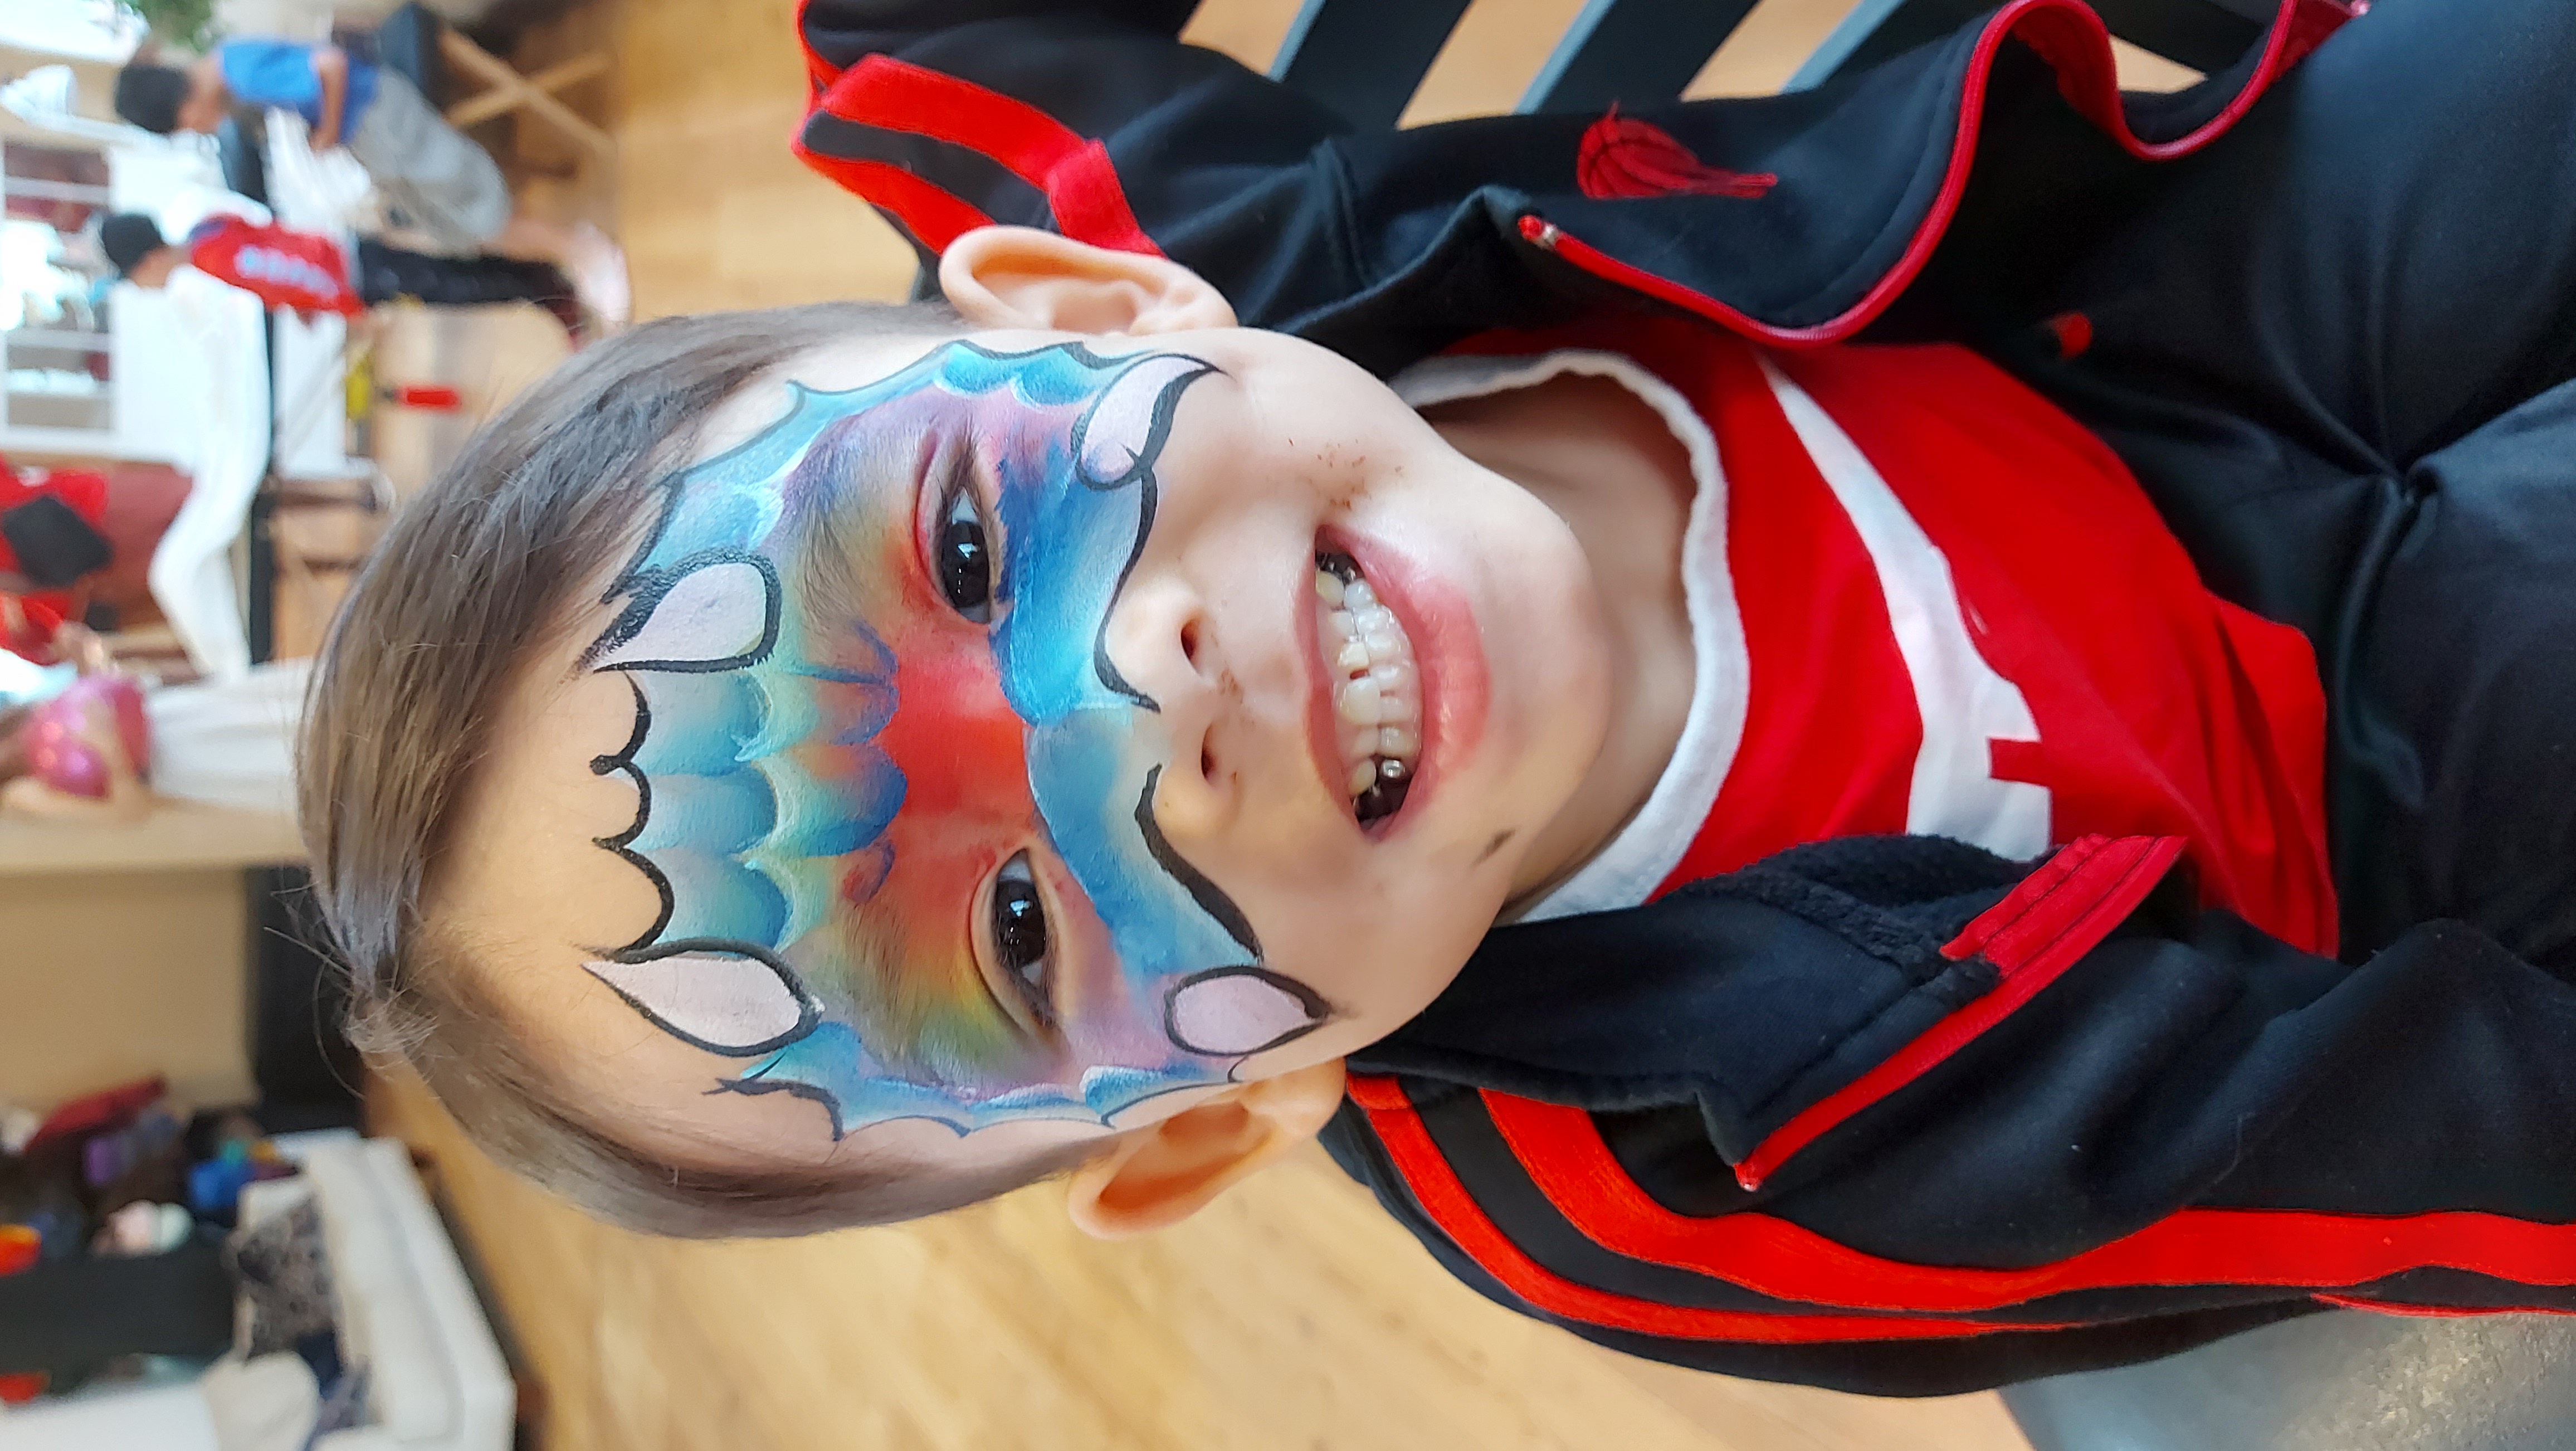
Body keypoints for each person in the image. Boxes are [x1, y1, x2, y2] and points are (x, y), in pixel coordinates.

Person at [295, 0, 2576, 1394]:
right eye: (1008, 932)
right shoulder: (1704, 1169)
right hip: (2372, 778)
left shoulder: (1257, 277)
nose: (1119, 712)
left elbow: (914, 39)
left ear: (1098, 304)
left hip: (2155, 313)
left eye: (973, 550)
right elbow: (2476, 1147)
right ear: (1210, 1121)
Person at [113, 38, 627, 325]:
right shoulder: (233, 74)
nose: (203, 128)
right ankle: (569, 252)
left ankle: (586, 250)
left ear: (184, 105)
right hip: (373, 139)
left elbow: (330, 66)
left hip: (378, 119)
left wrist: (329, 132)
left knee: (477, 210)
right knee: (461, 227)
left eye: (187, 126)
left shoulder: (240, 76)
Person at [99, 212, 586, 338]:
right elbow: (280, 253)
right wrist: (305, 309)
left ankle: (551, 292)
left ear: (149, 261)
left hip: (356, 275)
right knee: (451, 275)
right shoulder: (209, 232)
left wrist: (347, 308)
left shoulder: (216, 261)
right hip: (351, 260)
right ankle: (542, 284)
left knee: (459, 286)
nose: (143, 287)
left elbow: (297, 272)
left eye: (135, 278)